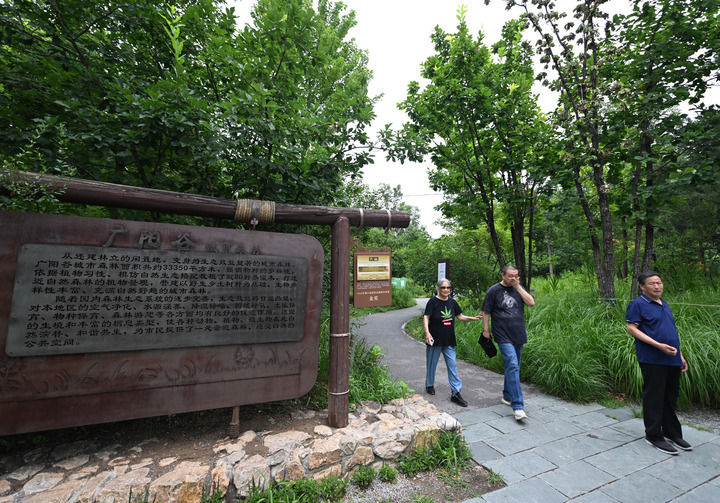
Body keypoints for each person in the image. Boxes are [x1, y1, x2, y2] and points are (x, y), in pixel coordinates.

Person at [626, 271, 691, 455]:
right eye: (652, 283)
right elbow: (631, 328)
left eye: (659, 282)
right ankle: (653, 435)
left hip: (672, 359)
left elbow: (671, 332)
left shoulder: (664, 303)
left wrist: (680, 356)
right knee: (654, 397)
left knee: (670, 397)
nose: (657, 286)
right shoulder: (638, 304)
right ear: (642, 286)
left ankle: (672, 433)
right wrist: (658, 345)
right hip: (652, 358)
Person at [481, 265, 535, 421]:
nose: (514, 278)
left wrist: (517, 286)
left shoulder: (519, 288)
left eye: (516, 275)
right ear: (503, 275)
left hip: (518, 333)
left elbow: (531, 303)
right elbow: (486, 312)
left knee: (513, 365)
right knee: (512, 364)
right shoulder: (493, 291)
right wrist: (486, 331)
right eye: (511, 276)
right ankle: (518, 406)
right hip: (502, 333)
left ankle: (507, 396)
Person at [424, 278, 482, 407]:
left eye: (448, 287)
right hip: (435, 339)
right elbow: (426, 316)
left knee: (453, 366)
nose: (446, 290)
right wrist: (427, 333)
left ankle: (456, 393)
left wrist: (473, 318)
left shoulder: (452, 302)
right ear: (438, 288)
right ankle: (429, 385)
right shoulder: (433, 301)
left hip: (449, 340)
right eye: (443, 287)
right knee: (431, 364)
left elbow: (460, 316)